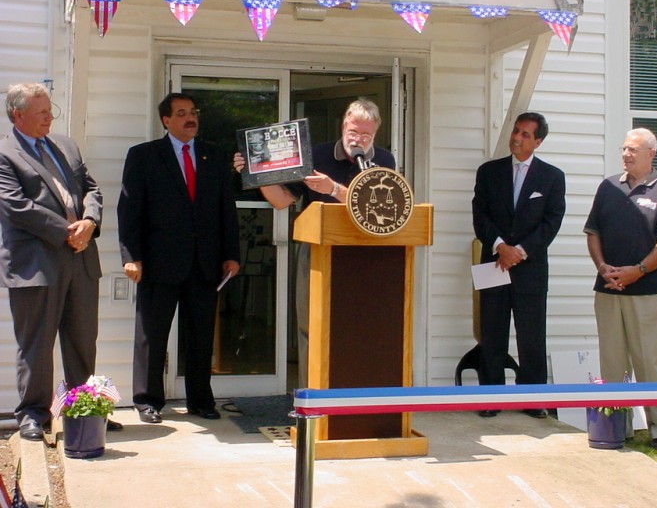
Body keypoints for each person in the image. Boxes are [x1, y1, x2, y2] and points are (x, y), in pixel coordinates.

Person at [233, 98, 395, 388]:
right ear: (343, 125)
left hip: (362, 256)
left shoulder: (383, 160)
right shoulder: (317, 155)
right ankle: (311, 399)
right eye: (354, 132)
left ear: (376, 134)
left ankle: (354, 395)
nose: (358, 139)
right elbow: (283, 200)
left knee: (358, 328)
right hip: (316, 251)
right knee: (311, 326)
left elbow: (383, 207)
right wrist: (254, 173)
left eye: (366, 135)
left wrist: (332, 189)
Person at [0, 83, 122, 440]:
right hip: (37, 263)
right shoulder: (5, 154)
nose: (50, 117)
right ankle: (33, 415)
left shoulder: (66, 145)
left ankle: (83, 409)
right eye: (42, 113)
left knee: (82, 340)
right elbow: (16, 207)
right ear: (17, 115)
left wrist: (91, 222)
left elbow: (92, 189)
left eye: (50, 110)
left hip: (81, 260)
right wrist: (69, 231)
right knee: (36, 343)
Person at [118, 92, 240, 424]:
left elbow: (225, 209)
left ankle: (201, 400)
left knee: (200, 335)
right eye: (182, 113)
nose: (190, 118)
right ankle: (148, 400)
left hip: (205, 262)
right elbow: (130, 210)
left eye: (193, 112)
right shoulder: (144, 156)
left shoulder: (213, 156)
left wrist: (231, 254)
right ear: (166, 121)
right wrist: (132, 256)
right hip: (159, 262)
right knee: (152, 334)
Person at [584, 128, 657, 449]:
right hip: (609, 287)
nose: (627, 154)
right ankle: (616, 426)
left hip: (652, 290)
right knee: (612, 362)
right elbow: (593, 232)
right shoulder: (608, 186)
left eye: (634, 150)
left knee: (651, 361)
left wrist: (637, 271)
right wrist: (603, 268)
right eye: (624, 149)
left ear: (651, 153)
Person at [471, 112, 566, 418]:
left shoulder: (552, 177)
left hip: (531, 268)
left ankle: (532, 399)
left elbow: (551, 224)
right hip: (493, 263)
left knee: (531, 335)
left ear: (538, 141)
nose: (517, 137)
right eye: (516, 131)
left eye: (526, 135)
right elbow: (480, 216)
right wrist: (500, 246)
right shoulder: (489, 172)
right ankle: (490, 398)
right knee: (491, 332)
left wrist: (520, 251)